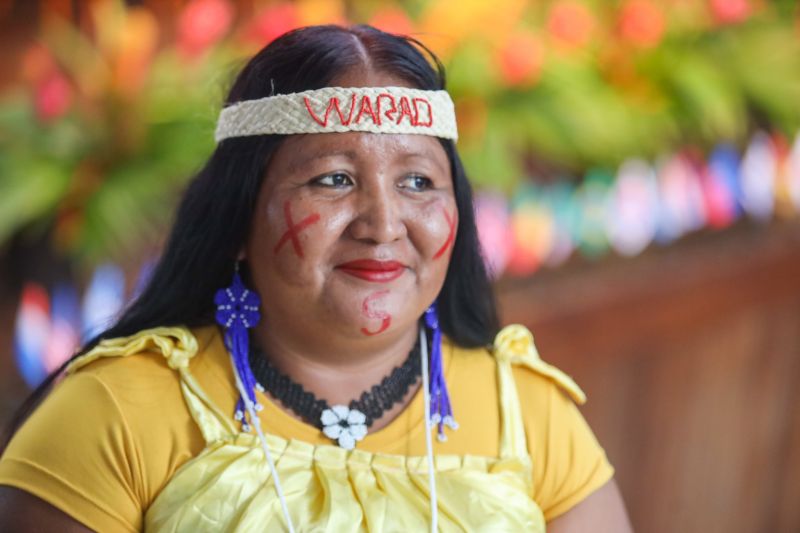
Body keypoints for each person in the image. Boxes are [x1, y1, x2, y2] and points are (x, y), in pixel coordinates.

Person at [0, 25, 632, 532]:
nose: (383, 224)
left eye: (417, 181)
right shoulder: (112, 413)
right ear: (240, 219)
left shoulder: (525, 411)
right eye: (333, 179)